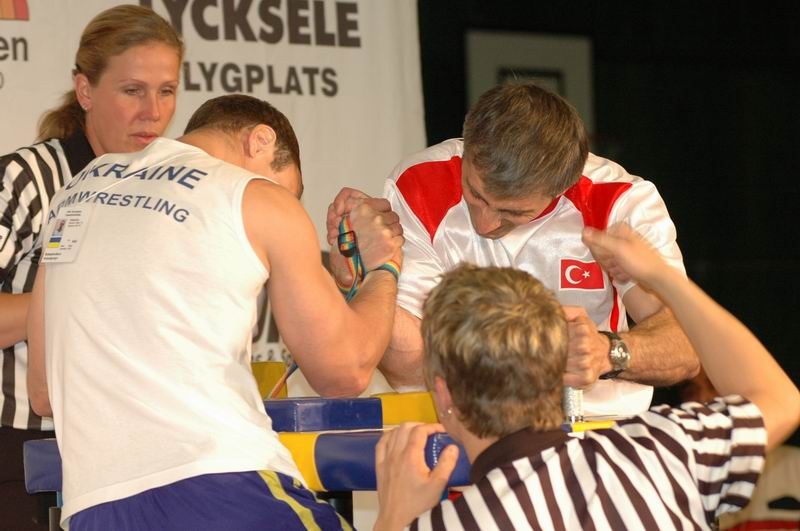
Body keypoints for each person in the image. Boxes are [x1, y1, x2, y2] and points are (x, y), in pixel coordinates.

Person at [26, 94, 403, 530]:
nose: (289, 205)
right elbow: (345, 371)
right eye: (290, 192)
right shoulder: (253, 196)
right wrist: (383, 267)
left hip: (95, 507)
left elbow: (44, 392)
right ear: (261, 140)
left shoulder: (78, 190)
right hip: (222, 488)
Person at [374, 223, 800, 530]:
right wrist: (661, 278)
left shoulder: (452, 524)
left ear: (444, 392)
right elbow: (781, 398)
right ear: (560, 370)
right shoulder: (657, 453)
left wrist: (394, 520)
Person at [328, 81, 699, 417]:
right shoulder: (420, 185)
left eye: (514, 212)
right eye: (475, 193)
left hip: (596, 433)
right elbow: (408, 368)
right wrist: (363, 277)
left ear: (564, 185)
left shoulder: (618, 203)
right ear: (467, 144)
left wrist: (608, 353)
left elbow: (687, 347)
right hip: (467, 431)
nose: (486, 223)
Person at [0, 5, 182, 529]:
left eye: (166, 91)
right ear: (85, 92)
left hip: (132, 449)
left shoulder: (174, 186)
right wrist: (74, 299)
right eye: (132, 90)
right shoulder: (29, 177)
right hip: (19, 449)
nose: (153, 111)